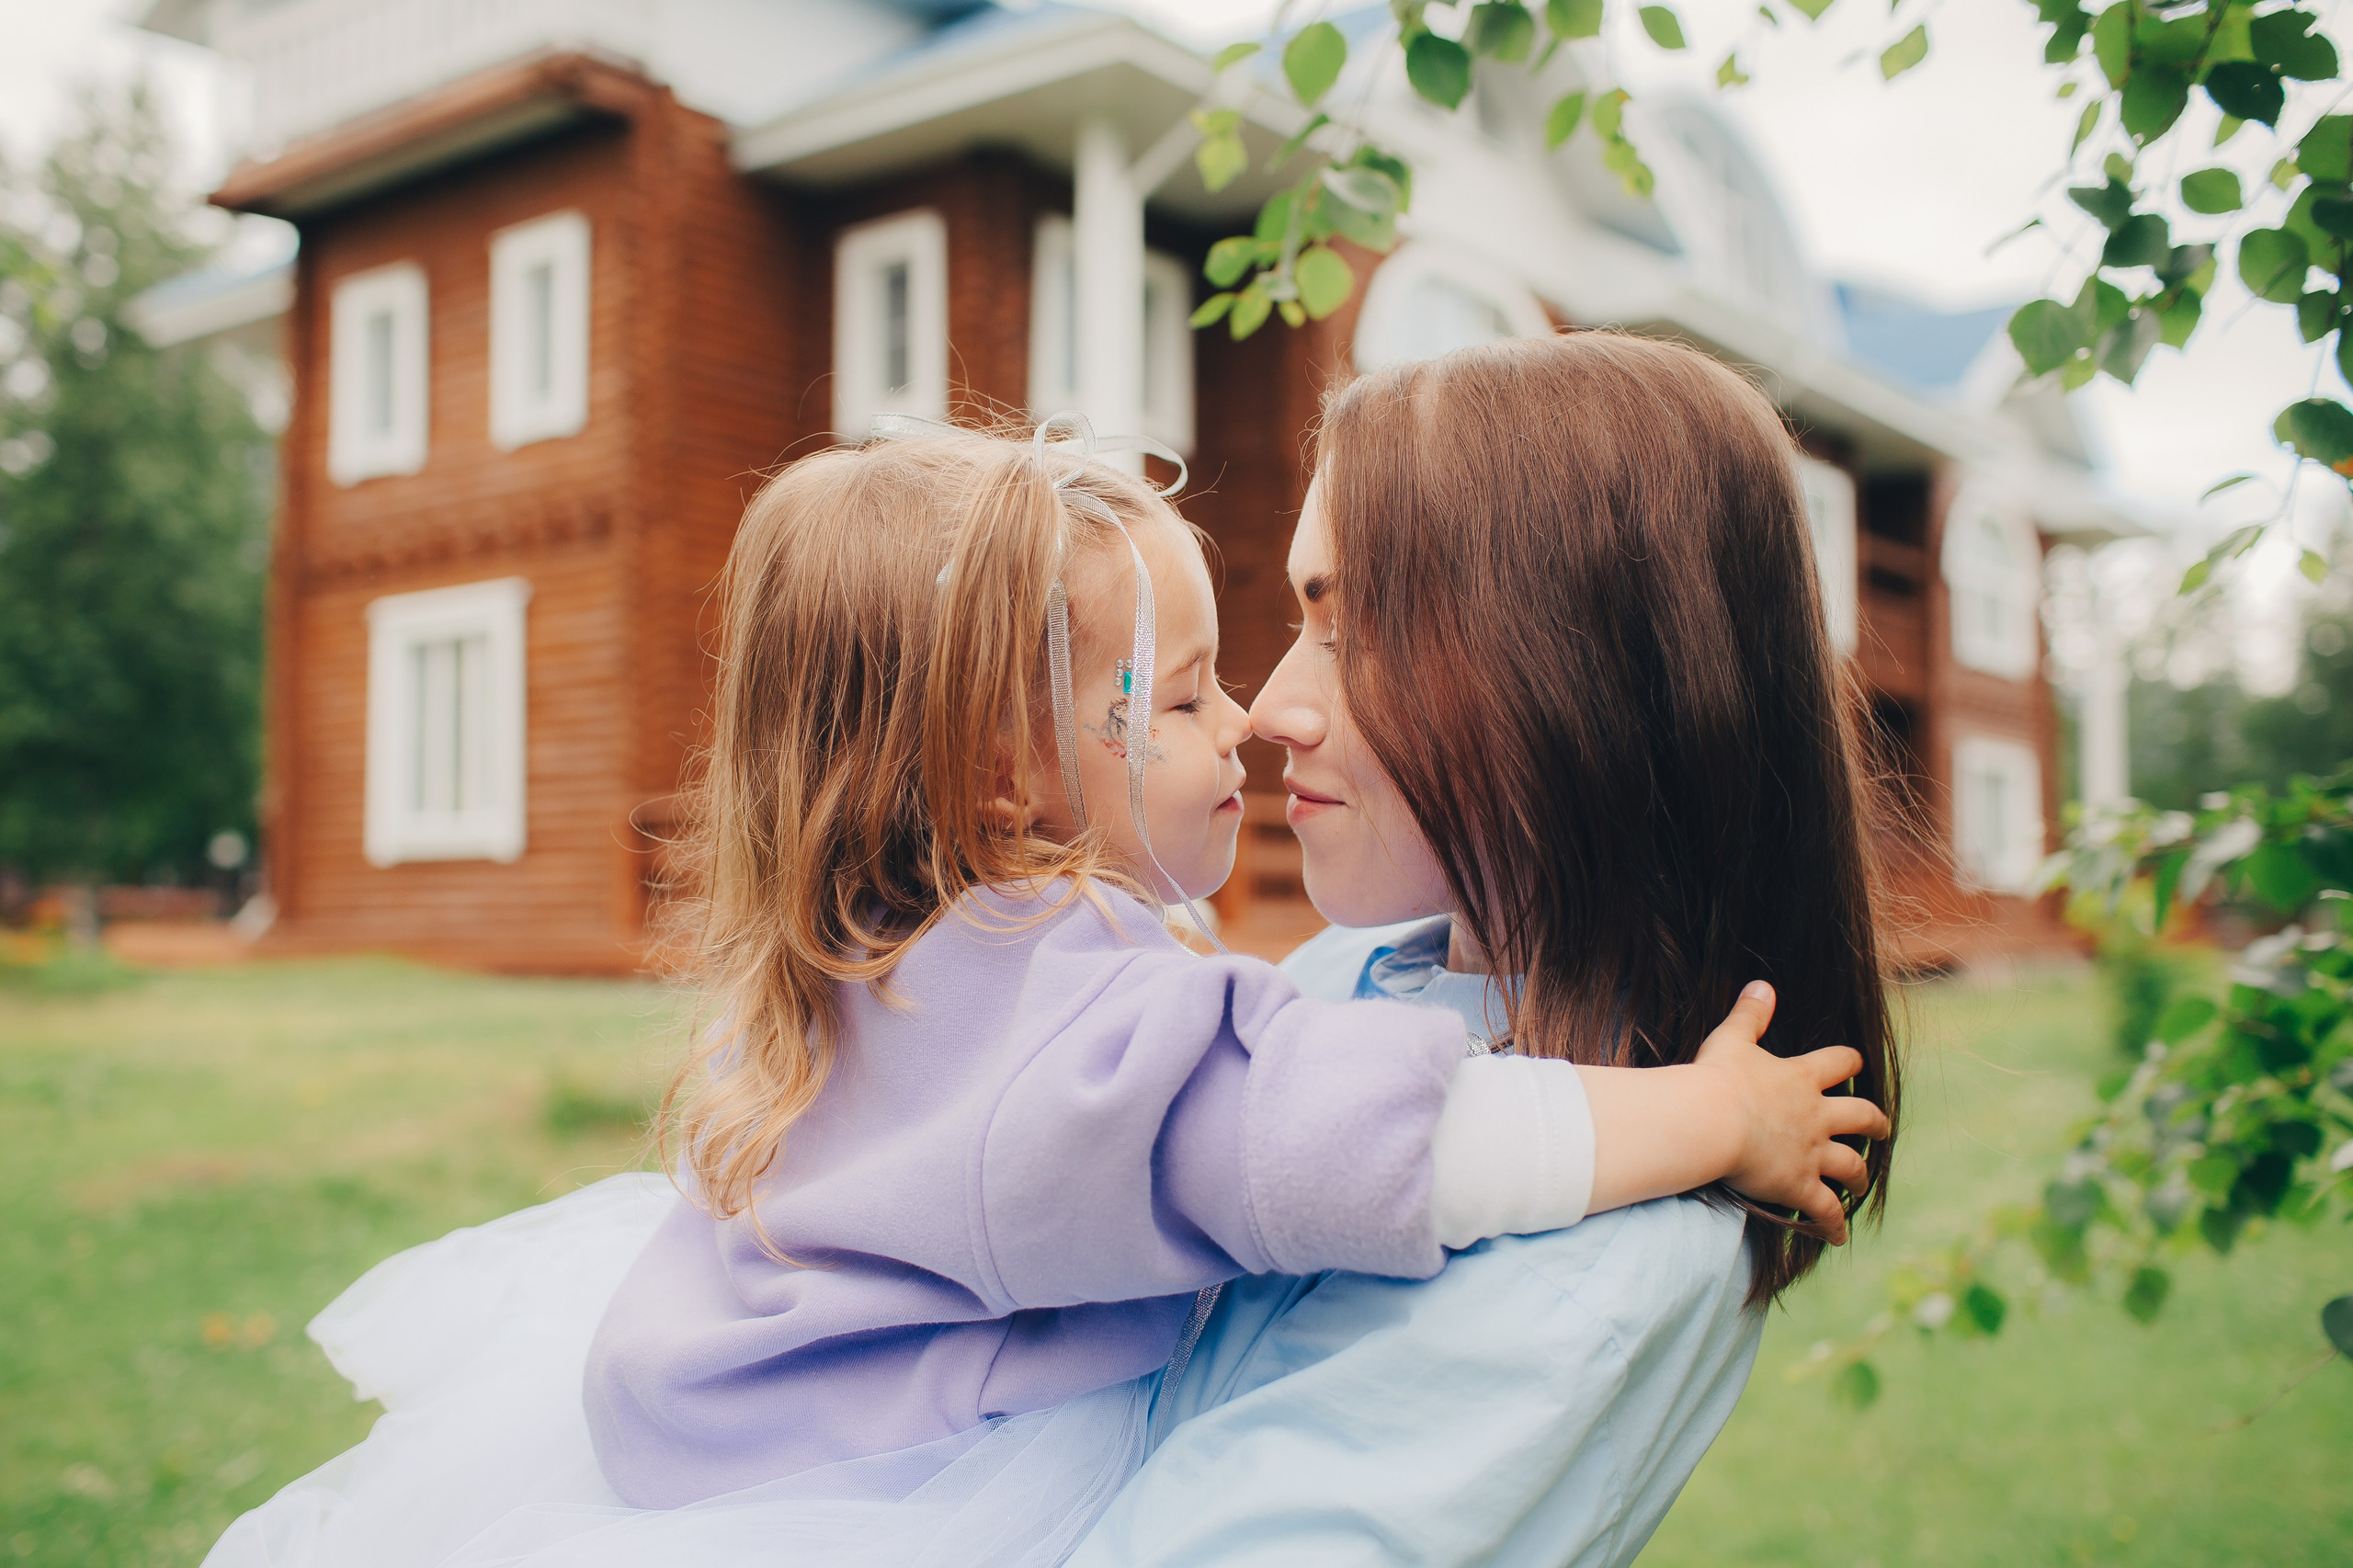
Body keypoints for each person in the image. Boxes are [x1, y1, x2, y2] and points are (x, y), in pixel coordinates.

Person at [199, 409, 1881, 1568]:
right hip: (912, 1493)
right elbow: (1386, 1143)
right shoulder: (1072, 1017)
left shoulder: (896, 951)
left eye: (1309, 645)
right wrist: (1716, 1107)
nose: (1254, 727)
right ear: (1009, 783)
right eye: (1186, 696)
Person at [1068, 331, 1901, 1566]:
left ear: (1580, 674)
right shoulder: (1367, 978)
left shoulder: (1591, 1267)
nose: (1274, 708)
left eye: (1352, 633)